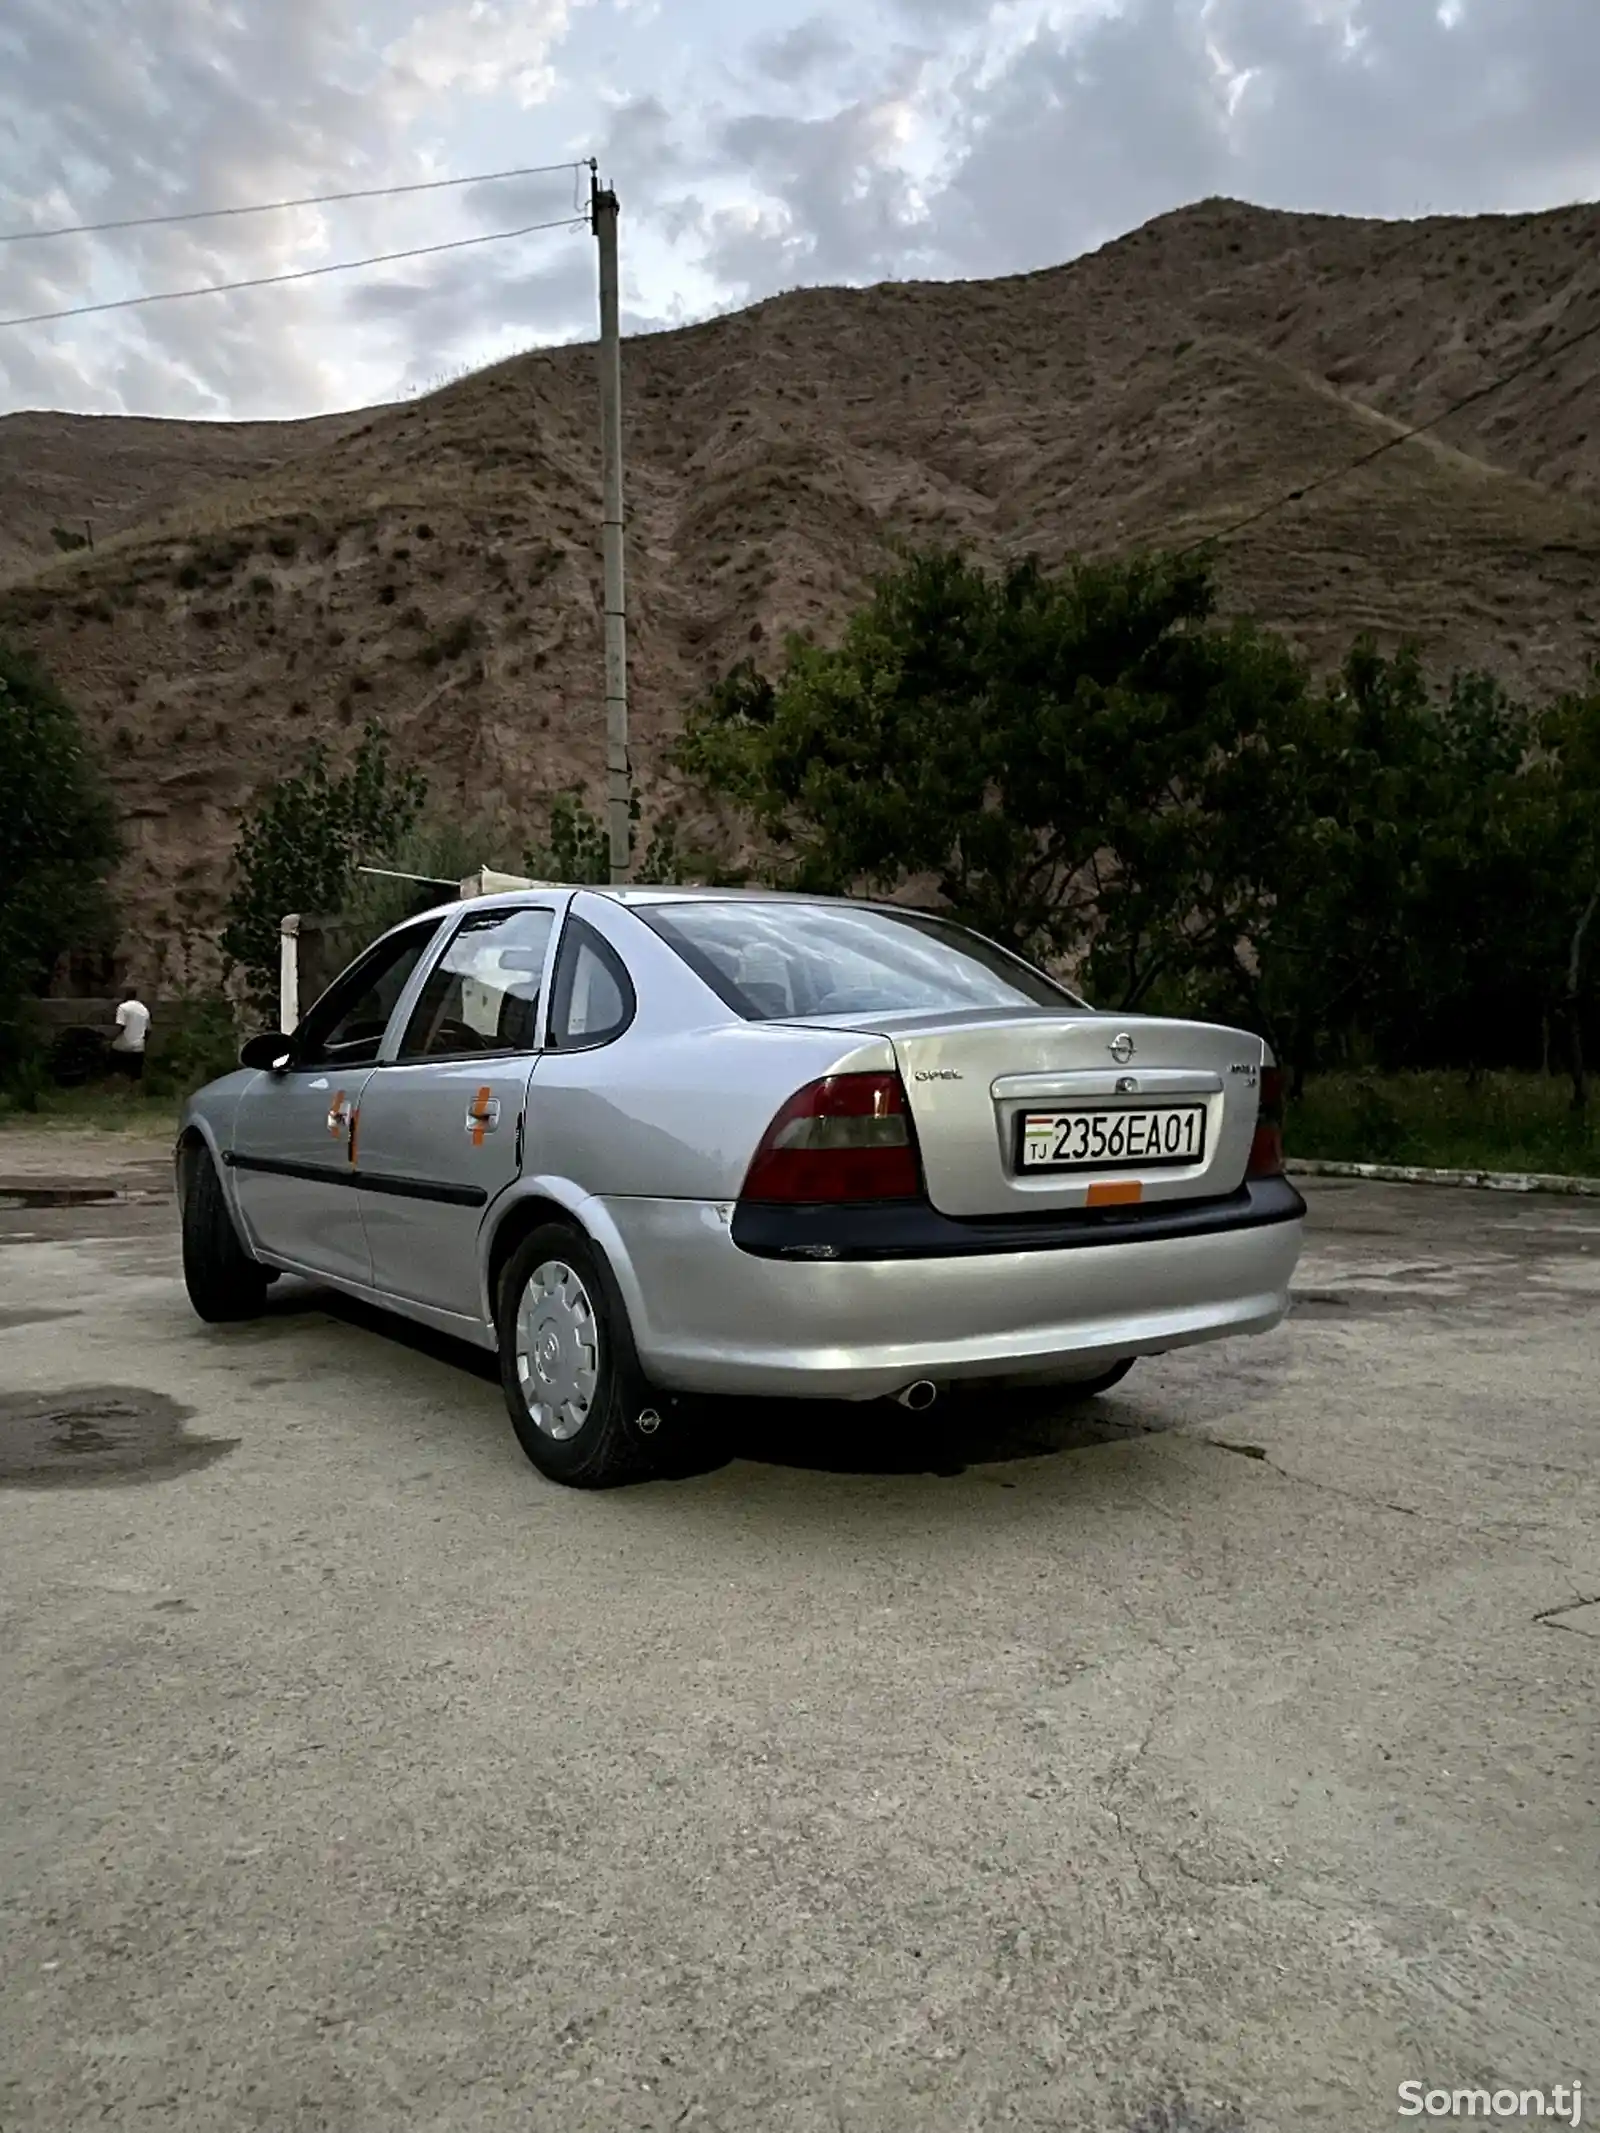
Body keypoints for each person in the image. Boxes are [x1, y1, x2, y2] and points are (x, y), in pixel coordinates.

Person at [111, 984, 151, 1085]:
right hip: (138, 1046)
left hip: (123, 1044)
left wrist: (111, 1038)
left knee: (115, 1068)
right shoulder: (144, 1009)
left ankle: (116, 1087)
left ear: (126, 996)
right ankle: (135, 1093)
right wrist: (143, 1041)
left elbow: (121, 1026)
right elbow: (149, 1029)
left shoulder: (123, 1007)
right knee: (136, 1074)